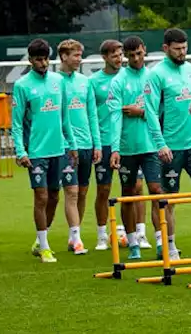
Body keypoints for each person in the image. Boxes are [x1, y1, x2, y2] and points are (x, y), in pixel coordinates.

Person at [144, 28, 191, 261]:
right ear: (166, 48)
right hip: (170, 148)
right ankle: (170, 246)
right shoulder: (156, 75)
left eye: (185, 48)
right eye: (177, 49)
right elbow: (151, 112)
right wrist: (160, 143)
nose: (182, 53)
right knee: (168, 199)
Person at [12, 39, 79, 264]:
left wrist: (72, 144)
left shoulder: (58, 81)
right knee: (40, 197)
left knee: (54, 196)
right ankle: (45, 248)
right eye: (38, 59)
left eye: (45, 59)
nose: (42, 63)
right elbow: (17, 123)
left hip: (58, 149)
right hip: (36, 152)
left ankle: (41, 240)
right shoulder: (22, 85)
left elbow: (65, 117)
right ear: (30, 60)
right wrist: (21, 151)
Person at [107, 36, 168, 261]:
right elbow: (115, 117)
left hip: (151, 146)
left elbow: (161, 109)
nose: (135, 59)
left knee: (155, 190)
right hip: (127, 148)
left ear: (145, 52)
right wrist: (115, 149)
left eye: (139, 54)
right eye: (130, 55)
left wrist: (142, 113)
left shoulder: (153, 77)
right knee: (128, 194)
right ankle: (133, 243)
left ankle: (161, 240)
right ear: (125, 56)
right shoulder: (119, 81)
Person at [57, 39, 100, 256]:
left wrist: (97, 144)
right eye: (75, 55)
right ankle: (77, 239)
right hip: (65, 146)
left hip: (87, 145)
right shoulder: (54, 82)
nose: (79, 59)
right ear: (64, 56)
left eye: (80, 55)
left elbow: (92, 114)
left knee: (82, 192)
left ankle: (74, 235)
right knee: (71, 192)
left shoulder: (85, 82)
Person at [89, 39, 127, 250]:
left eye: (120, 54)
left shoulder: (129, 77)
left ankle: (138, 234)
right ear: (104, 57)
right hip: (104, 141)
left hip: (127, 140)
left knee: (134, 188)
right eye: (114, 55)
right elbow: (91, 113)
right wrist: (95, 142)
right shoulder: (94, 82)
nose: (119, 58)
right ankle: (102, 235)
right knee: (103, 189)